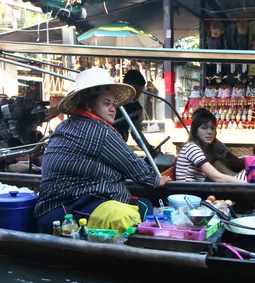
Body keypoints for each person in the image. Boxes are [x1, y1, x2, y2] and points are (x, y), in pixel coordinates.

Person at [34, 67, 170, 233]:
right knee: (143, 207)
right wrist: (157, 180)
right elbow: (132, 165)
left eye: (113, 104)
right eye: (106, 104)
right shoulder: (98, 129)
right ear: (88, 105)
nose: (113, 109)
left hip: (55, 209)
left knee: (140, 204)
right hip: (66, 211)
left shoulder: (66, 125)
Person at [175, 108, 246, 183]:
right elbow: (216, 177)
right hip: (190, 192)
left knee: (250, 173)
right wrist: (248, 184)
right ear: (195, 131)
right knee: (249, 175)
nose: (209, 132)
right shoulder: (191, 148)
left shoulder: (204, 148)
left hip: (201, 188)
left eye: (212, 128)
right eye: (204, 128)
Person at [113, 69, 147, 142]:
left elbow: (136, 133)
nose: (137, 95)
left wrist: (150, 150)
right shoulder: (110, 100)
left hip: (120, 141)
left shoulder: (136, 109)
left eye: (140, 92)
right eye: (136, 90)